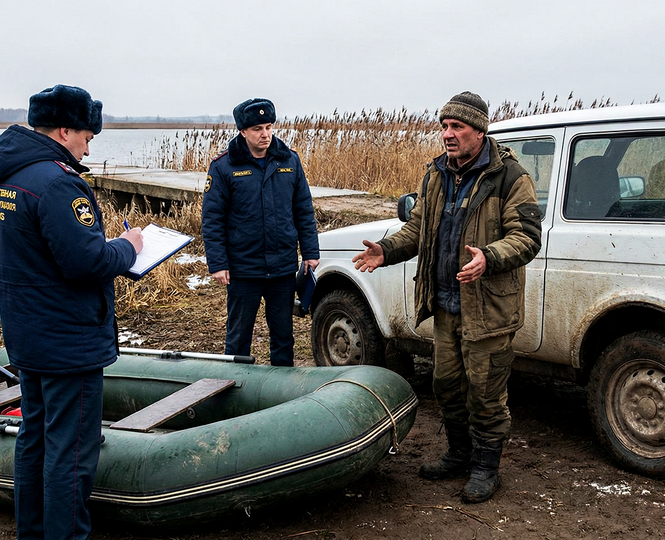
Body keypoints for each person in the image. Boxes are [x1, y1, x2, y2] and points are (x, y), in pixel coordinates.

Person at [351, 91, 542, 503]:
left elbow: (526, 238)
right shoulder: (436, 175)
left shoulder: (510, 178)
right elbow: (416, 229)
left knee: (485, 391)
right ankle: (459, 454)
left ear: (479, 130)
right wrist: (386, 250)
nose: (447, 135)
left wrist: (489, 258)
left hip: (487, 308)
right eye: (444, 126)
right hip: (446, 304)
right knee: (447, 384)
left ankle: (486, 469)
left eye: (457, 127)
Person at [0, 84, 143, 540]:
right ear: (65, 129)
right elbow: (86, 262)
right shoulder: (57, 183)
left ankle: (31, 533)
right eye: (87, 137)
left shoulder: (5, 177)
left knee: (34, 439)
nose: (89, 145)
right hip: (68, 339)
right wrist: (128, 248)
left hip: (28, 332)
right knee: (72, 452)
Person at [201, 98, 320, 366]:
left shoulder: (289, 161)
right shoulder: (224, 167)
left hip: (282, 267)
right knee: (239, 337)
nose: (265, 134)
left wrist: (311, 252)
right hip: (244, 269)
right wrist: (218, 263)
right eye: (257, 129)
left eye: (268, 127)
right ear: (243, 131)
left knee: (283, 335)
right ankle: (234, 388)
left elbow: (303, 209)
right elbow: (212, 219)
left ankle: (282, 389)